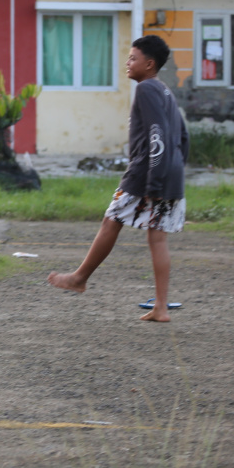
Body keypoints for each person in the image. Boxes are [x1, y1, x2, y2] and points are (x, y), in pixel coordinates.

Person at [48, 35, 189, 322]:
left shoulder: (146, 89)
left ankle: (79, 278)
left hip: (146, 174)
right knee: (157, 238)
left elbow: (157, 134)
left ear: (149, 64)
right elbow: (183, 137)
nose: (128, 62)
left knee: (111, 221)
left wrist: (154, 181)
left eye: (133, 58)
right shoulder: (165, 91)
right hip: (169, 173)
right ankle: (161, 307)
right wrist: (172, 169)